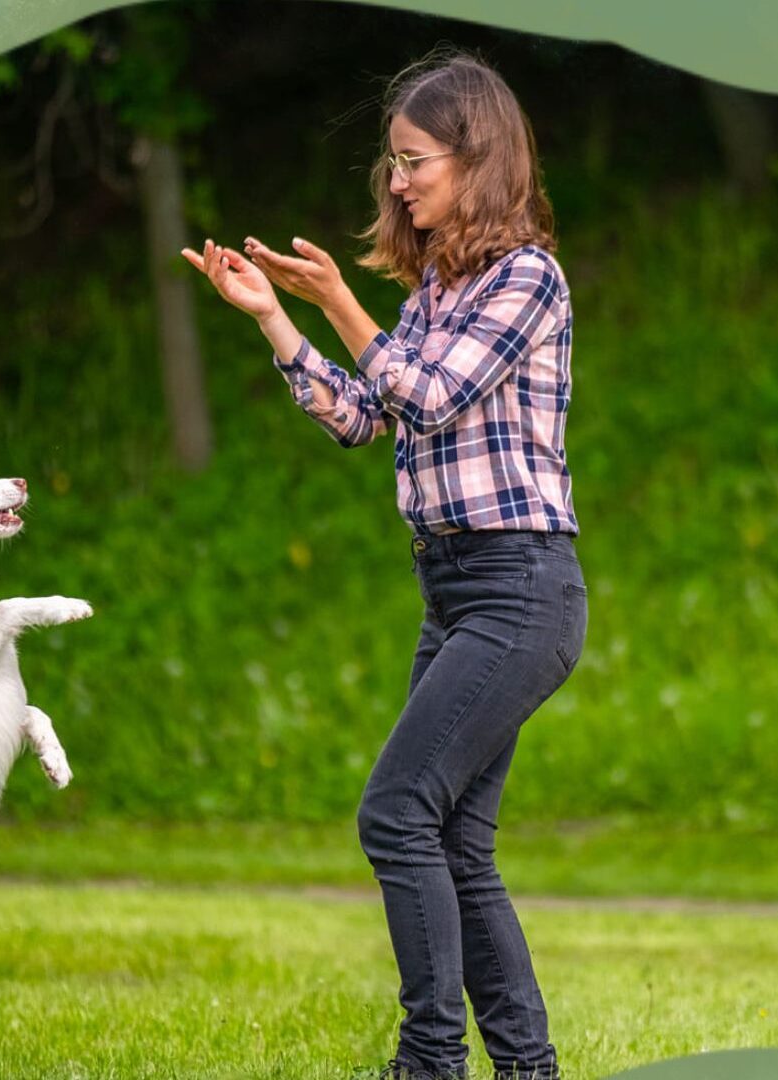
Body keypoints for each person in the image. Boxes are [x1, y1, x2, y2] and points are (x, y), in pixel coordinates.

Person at [182, 52, 586, 1080]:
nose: (396, 182)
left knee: (397, 811)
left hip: (519, 586)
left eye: (414, 162)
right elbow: (366, 415)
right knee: (451, 840)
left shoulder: (524, 280)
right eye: (392, 163)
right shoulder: (435, 293)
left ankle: (428, 1063)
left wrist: (338, 307)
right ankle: (526, 1069)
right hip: (452, 592)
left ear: (477, 158)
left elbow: (433, 397)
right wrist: (275, 316)